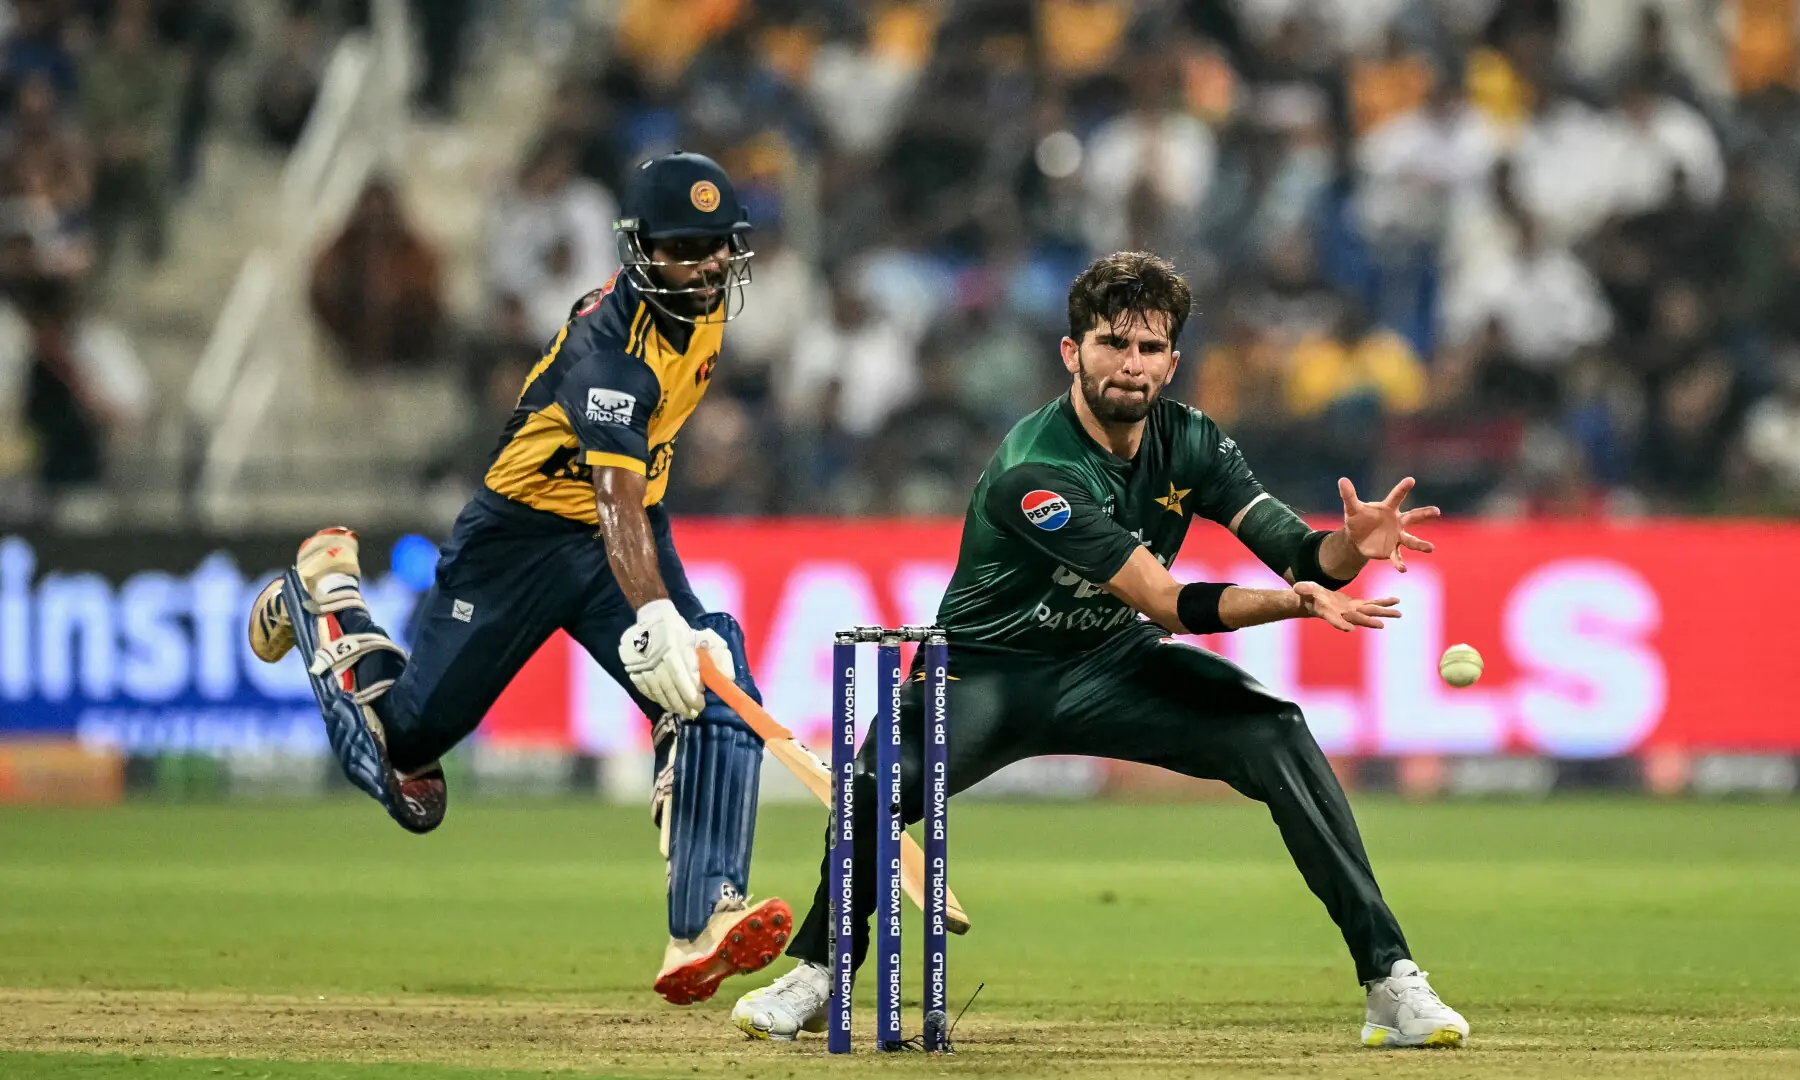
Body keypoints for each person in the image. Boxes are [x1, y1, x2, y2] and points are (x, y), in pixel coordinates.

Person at [731, 251, 1470, 1049]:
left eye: (1150, 350)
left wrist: (1349, 552)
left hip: (1114, 666)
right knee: (876, 787)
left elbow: (1297, 551)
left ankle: (1390, 980)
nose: (1131, 364)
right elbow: (1166, 601)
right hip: (987, 675)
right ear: (1071, 352)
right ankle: (817, 971)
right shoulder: (1037, 470)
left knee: (1276, 731)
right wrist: (1295, 602)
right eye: (1113, 343)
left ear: (1173, 362)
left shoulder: (1193, 442)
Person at [246, 152, 790, 1008]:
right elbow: (610, 497)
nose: (714, 263)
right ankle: (327, 596)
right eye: (690, 248)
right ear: (642, 249)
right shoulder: (614, 352)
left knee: (714, 683)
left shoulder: (704, 306)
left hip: (627, 525)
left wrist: (675, 635)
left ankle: (704, 920)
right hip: (523, 540)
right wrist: (652, 616)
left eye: (722, 245)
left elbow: (632, 500)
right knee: (408, 762)